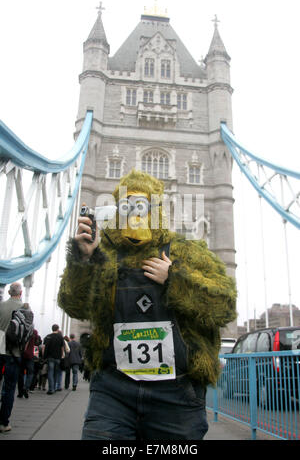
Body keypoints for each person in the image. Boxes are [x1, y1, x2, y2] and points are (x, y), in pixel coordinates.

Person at [58, 170, 237, 440]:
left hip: (176, 394)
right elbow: (74, 307)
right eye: (126, 207)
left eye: (141, 207)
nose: (134, 215)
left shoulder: (187, 252)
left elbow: (224, 307)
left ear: (156, 209)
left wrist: (176, 279)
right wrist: (83, 260)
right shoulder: (101, 253)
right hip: (113, 390)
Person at [0, 282, 23, 432]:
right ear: (20, 293)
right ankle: (3, 423)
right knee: (9, 388)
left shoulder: (1, 306)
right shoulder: (24, 308)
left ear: (9, 292)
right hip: (13, 352)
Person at [17, 328, 41, 398]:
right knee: (30, 373)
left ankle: (20, 392)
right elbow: (36, 344)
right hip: (30, 356)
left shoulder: (23, 328)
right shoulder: (34, 332)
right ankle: (26, 388)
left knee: (20, 374)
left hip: (22, 354)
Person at [43, 324, 64, 395]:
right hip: (58, 357)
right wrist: (61, 356)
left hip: (50, 357)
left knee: (50, 372)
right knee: (56, 373)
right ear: (57, 329)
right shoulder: (60, 337)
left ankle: (51, 389)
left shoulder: (48, 337)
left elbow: (45, 347)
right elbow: (62, 348)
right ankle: (54, 388)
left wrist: (44, 357)